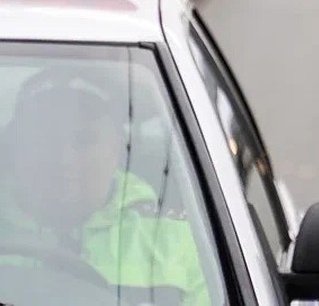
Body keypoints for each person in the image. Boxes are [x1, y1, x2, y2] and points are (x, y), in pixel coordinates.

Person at [0, 70, 212, 306]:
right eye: (46, 139)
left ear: (117, 150)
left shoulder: (180, 245)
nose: (64, 159)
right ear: (14, 148)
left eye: (84, 140)